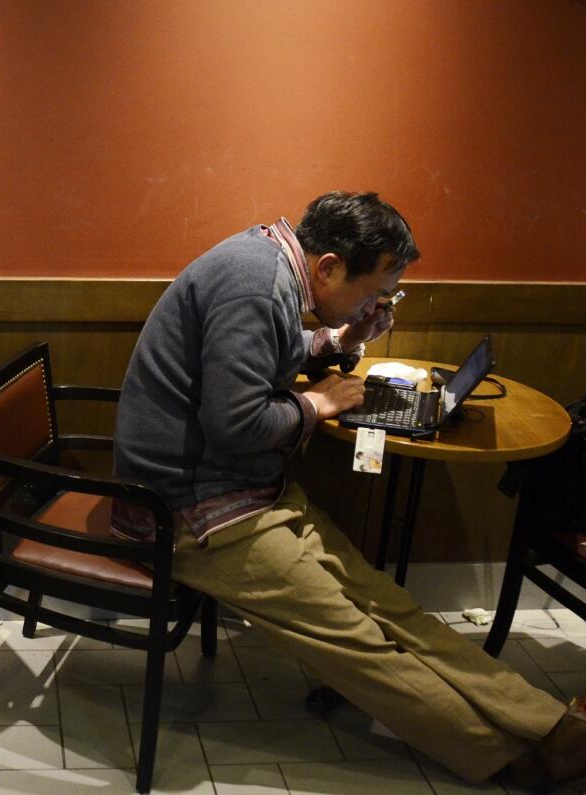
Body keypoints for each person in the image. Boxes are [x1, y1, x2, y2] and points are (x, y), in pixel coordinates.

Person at [112, 191, 586, 789]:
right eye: (370, 293)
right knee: (357, 640)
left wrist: (338, 339)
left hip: (245, 493)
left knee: (391, 608)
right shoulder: (254, 282)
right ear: (329, 265)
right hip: (189, 510)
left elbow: (270, 356)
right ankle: (507, 757)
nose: (374, 304)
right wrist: (320, 401)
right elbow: (234, 428)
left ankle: (550, 727)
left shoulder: (272, 265)